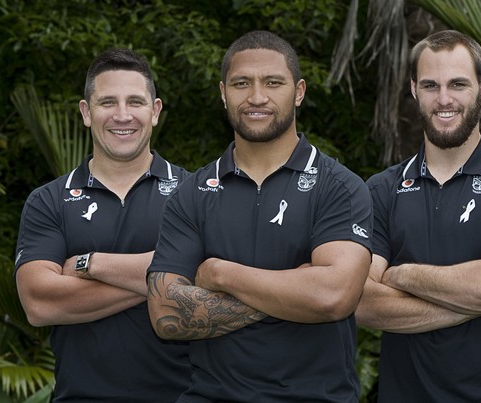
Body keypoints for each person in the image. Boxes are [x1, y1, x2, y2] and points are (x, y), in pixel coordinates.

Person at [146, 30, 372, 402]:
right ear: (223, 92)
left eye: (272, 82)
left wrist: (221, 274)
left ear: (298, 91)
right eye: (241, 83)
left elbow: (333, 297)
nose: (256, 97)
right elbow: (167, 314)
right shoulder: (192, 193)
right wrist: (295, 290)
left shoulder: (339, 187)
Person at [356, 30, 481, 402]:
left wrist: (401, 274)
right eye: (431, 85)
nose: (444, 99)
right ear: (414, 89)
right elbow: (362, 302)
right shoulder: (382, 189)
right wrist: (471, 301)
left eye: (458, 84)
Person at [14, 48, 192, 402]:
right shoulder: (49, 200)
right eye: (108, 102)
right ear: (86, 112)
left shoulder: (195, 194)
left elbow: (214, 282)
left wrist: (90, 263)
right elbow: (39, 304)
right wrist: (169, 277)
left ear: (155, 111)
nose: (122, 116)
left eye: (135, 102)